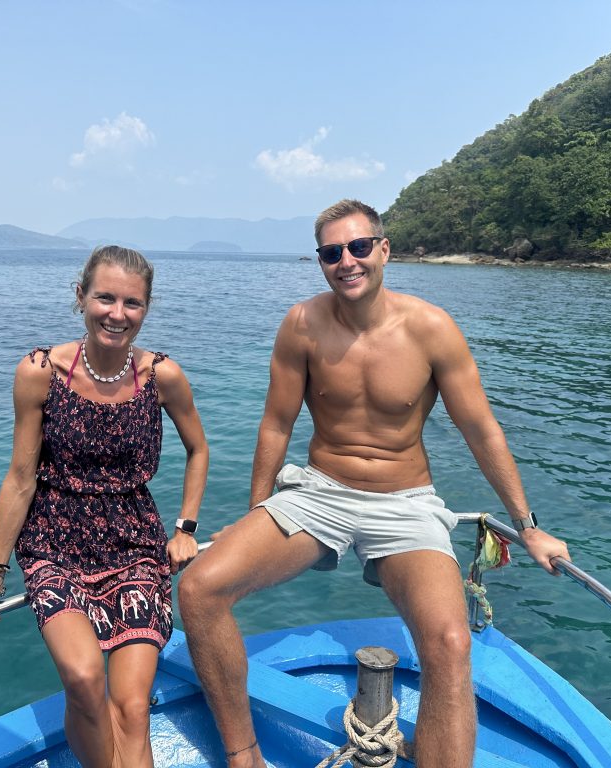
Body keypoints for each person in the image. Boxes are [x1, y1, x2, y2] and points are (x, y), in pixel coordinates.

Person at [178, 199, 569, 768]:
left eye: (359, 247)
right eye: (332, 252)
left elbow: (481, 430)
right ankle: (245, 757)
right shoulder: (302, 324)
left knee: (451, 642)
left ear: (384, 250)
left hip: (404, 505)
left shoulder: (431, 329)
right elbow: (277, 423)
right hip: (319, 493)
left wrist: (528, 527)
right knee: (199, 589)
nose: (347, 261)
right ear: (321, 261)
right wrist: (258, 508)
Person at [0, 245, 209, 768]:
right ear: (80, 297)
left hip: (134, 543)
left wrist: (186, 527)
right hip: (54, 542)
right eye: (105, 298)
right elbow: (20, 478)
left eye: (132, 303)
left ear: (146, 308)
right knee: (82, 678)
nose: (117, 314)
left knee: (133, 707)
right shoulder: (40, 371)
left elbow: (199, 449)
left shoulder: (161, 376)